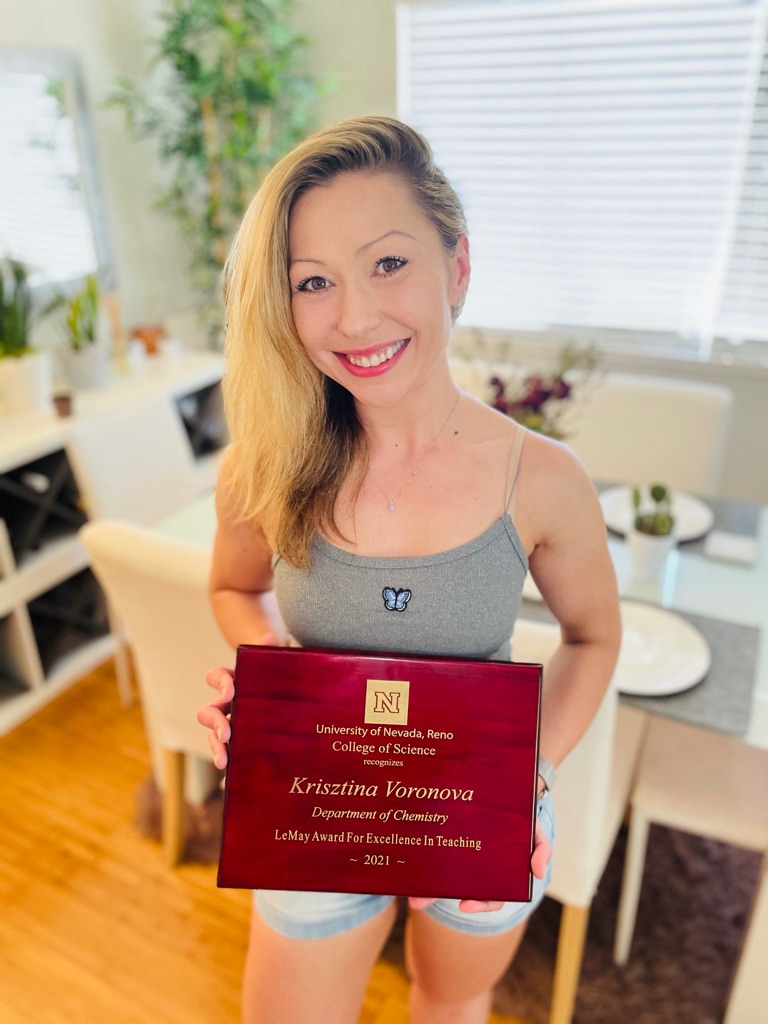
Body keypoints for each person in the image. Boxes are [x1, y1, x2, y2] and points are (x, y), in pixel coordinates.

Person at [197, 115, 621, 1024]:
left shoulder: (544, 480)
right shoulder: (264, 463)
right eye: (313, 282)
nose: (354, 317)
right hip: (317, 799)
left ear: (457, 267)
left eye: (388, 264)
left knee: (448, 1005)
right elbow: (234, 588)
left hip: (478, 804)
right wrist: (261, 684)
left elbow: (594, 636)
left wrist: (529, 774)